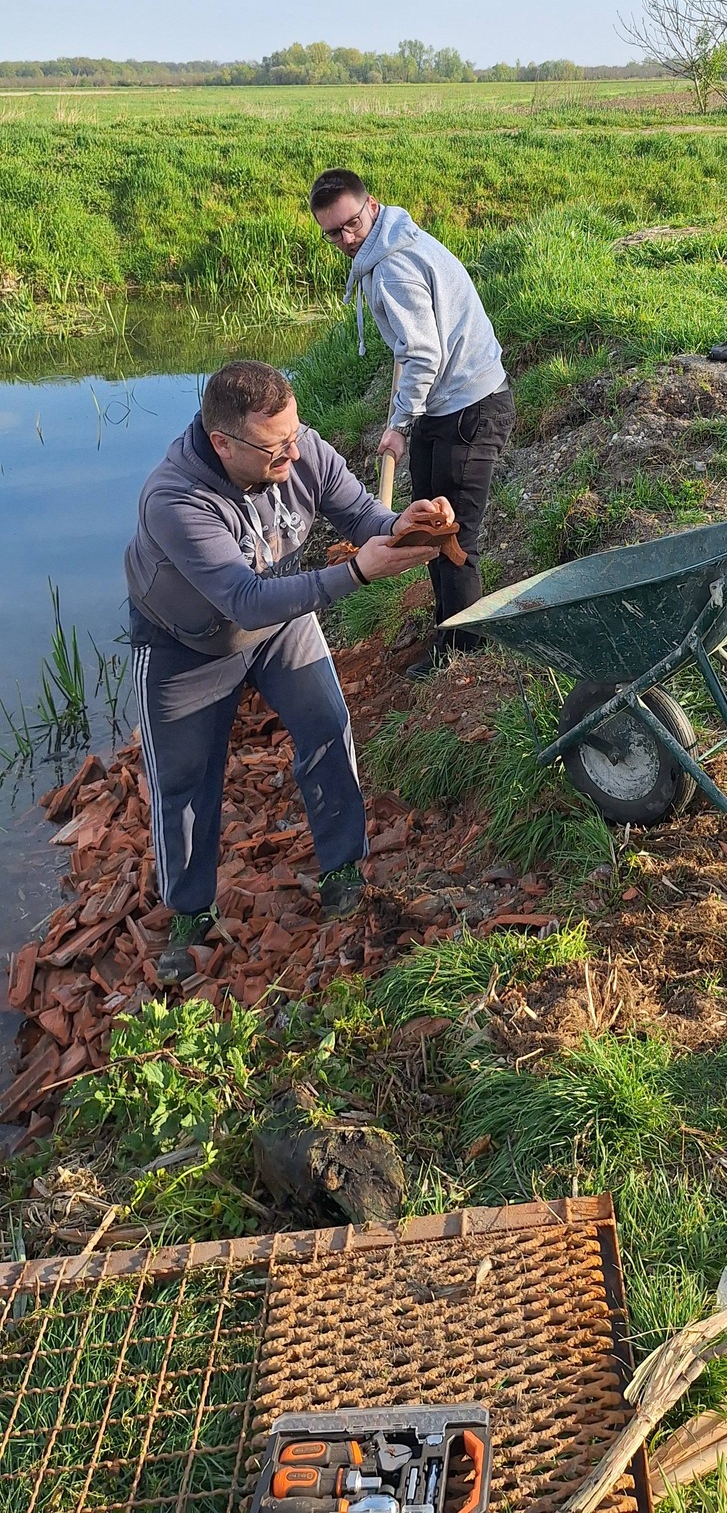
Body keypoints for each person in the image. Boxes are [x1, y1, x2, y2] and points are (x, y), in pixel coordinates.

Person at [125, 359, 448, 983]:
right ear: (223, 442)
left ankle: (341, 869)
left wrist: (401, 526)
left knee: (327, 724)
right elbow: (243, 601)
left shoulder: (300, 449)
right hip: (186, 645)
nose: (295, 454)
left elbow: (362, 518)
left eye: (296, 435)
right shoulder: (174, 498)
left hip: (282, 618)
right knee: (185, 779)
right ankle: (191, 910)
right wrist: (355, 573)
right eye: (277, 447)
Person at [309, 167, 516, 676]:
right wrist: (404, 417)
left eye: (351, 224)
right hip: (441, 405)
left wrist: (399, 424)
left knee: (454, 535)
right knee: (427, 527)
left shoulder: (395, 267)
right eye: (332, 233)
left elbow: (422, 353)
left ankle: (463, 658)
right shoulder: (390, 240)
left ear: (371, 207)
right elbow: (410, 348)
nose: (345, 239)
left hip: (469, 407)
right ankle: (447, 631)